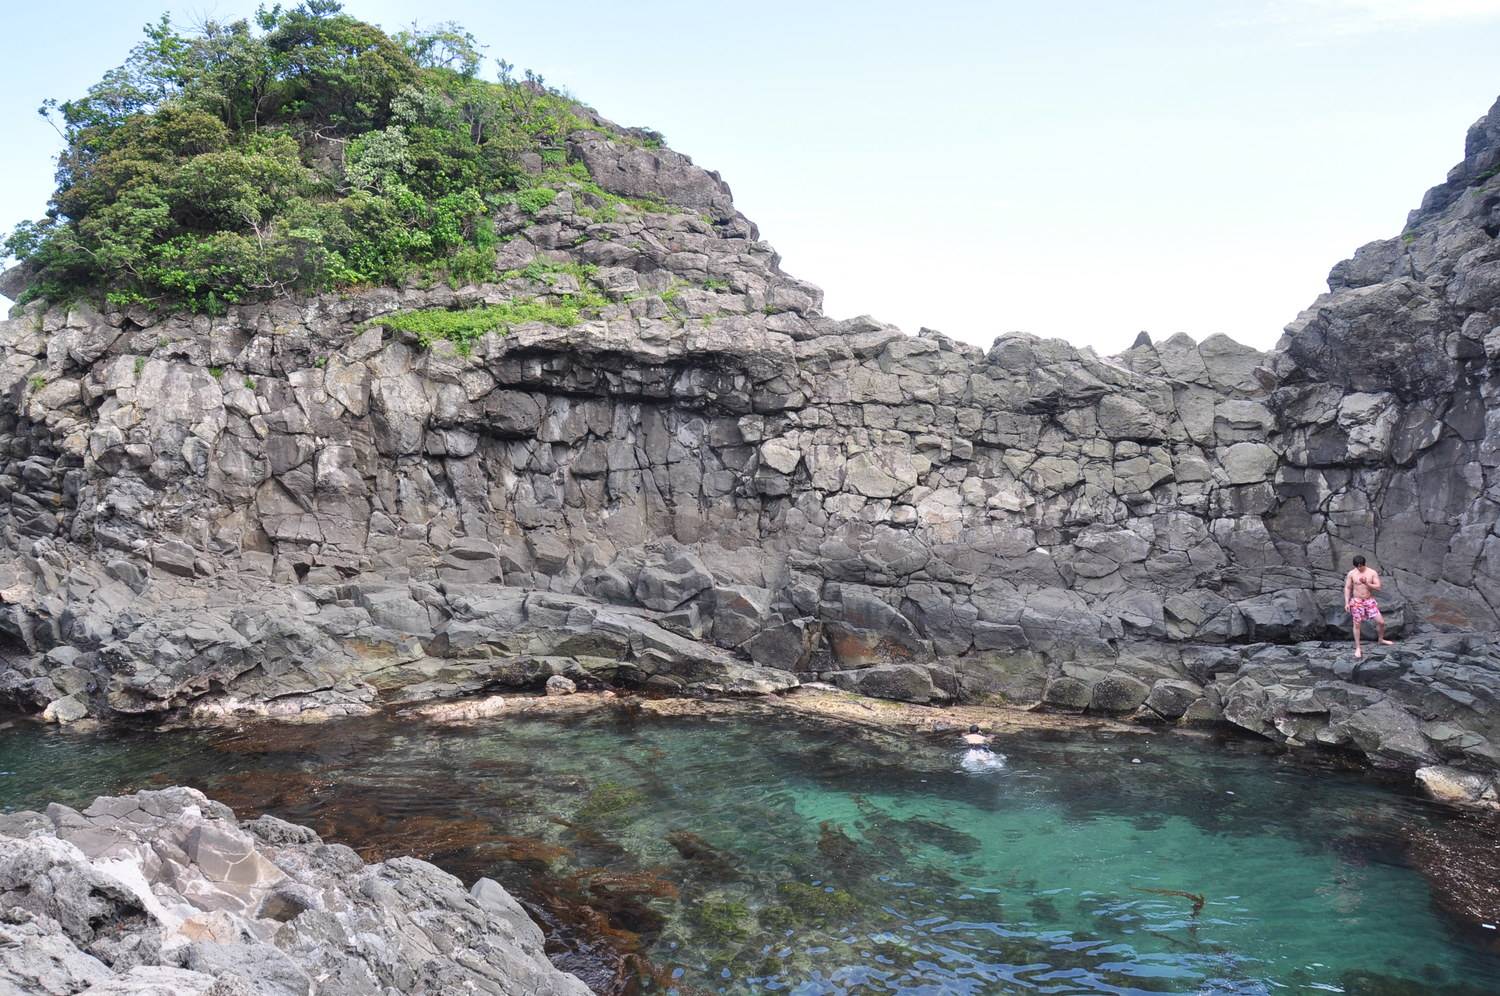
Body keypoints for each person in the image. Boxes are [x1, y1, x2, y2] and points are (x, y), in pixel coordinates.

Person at [1343, 555, 1393, 658]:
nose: (1359, 568)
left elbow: (1378, 587)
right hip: (1356, 601)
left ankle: (1381, 639)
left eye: (1361, 566)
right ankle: (1358, 648)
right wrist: (1347, 602)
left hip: (1369, 601)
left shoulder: (1372, 572)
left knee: (1381, 622)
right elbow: (1348, 588)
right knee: (1357, 624)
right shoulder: (1352, 573)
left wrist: (1367, 583)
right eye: (1357, 566)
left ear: (1364, 564)